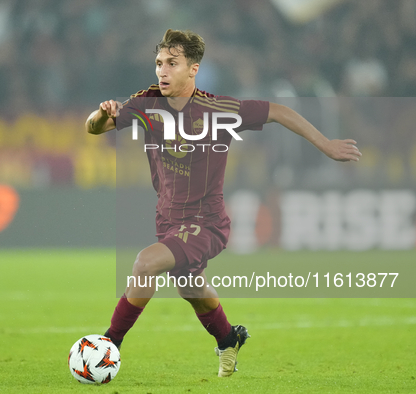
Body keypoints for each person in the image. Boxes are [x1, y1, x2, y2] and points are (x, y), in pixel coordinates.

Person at [84, 29, 361, 377]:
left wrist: (326, 144)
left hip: (206, 222)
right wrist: (101, 113)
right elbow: (96, 128)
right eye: (158, 64)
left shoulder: (218, 111)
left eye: (172, 63)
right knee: (190, 286)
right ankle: (229, 338)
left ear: (193, 69)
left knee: (145, 263)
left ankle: (108, 344)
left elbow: (277, 111)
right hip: (168, 218)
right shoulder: (146, 104)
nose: (162, 71)